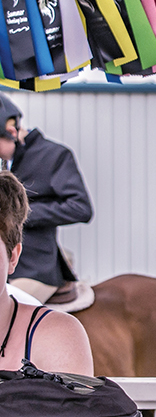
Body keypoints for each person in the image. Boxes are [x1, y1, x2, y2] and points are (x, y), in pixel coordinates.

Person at [0, 94, 93, 303]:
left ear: (12, 132)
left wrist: (19, 215)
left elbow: (81, 207)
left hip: (34, 268)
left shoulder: (54, 156)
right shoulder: (7, 161)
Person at [0, 170, 93, 374]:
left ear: (12, 256)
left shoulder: (52, 155)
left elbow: (81, 208)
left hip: (41, 267)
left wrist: (34, 212)